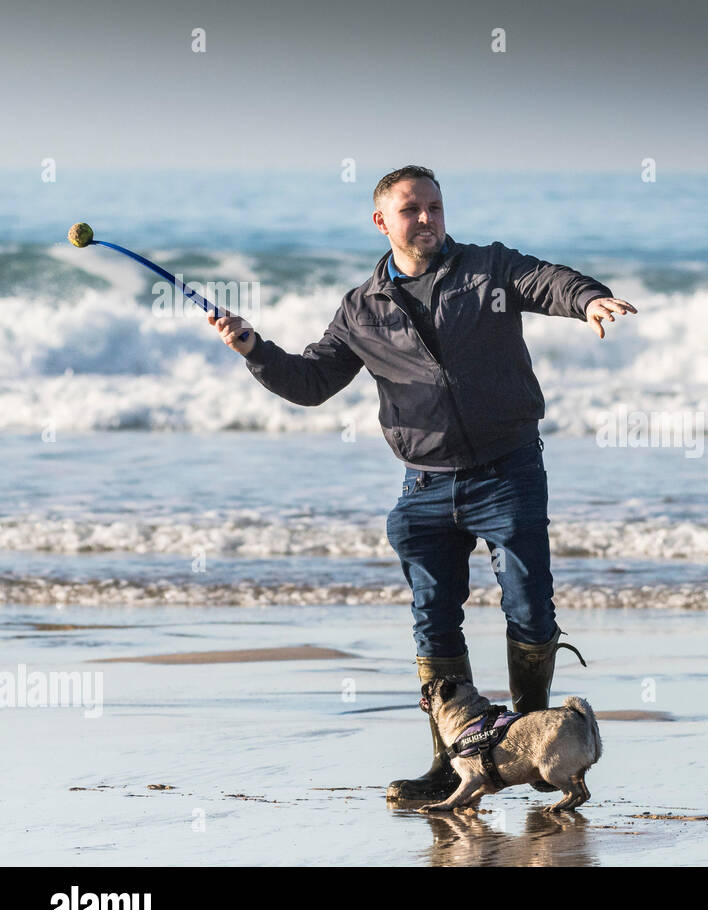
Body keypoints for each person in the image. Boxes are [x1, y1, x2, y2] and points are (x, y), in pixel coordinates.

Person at [210, 165, 635, 802]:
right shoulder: (361, 308)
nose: (428, 219)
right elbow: (312, 384)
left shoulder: (488, 268)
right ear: (382, 222)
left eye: (435, 206)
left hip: (508, 468)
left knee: (530, 608)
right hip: (425, 484)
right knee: (433, 623)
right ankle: (451, 765)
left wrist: (589, 299)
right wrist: (255, 350)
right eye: (412, 210)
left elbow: (549, 281)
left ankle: (524, 740)